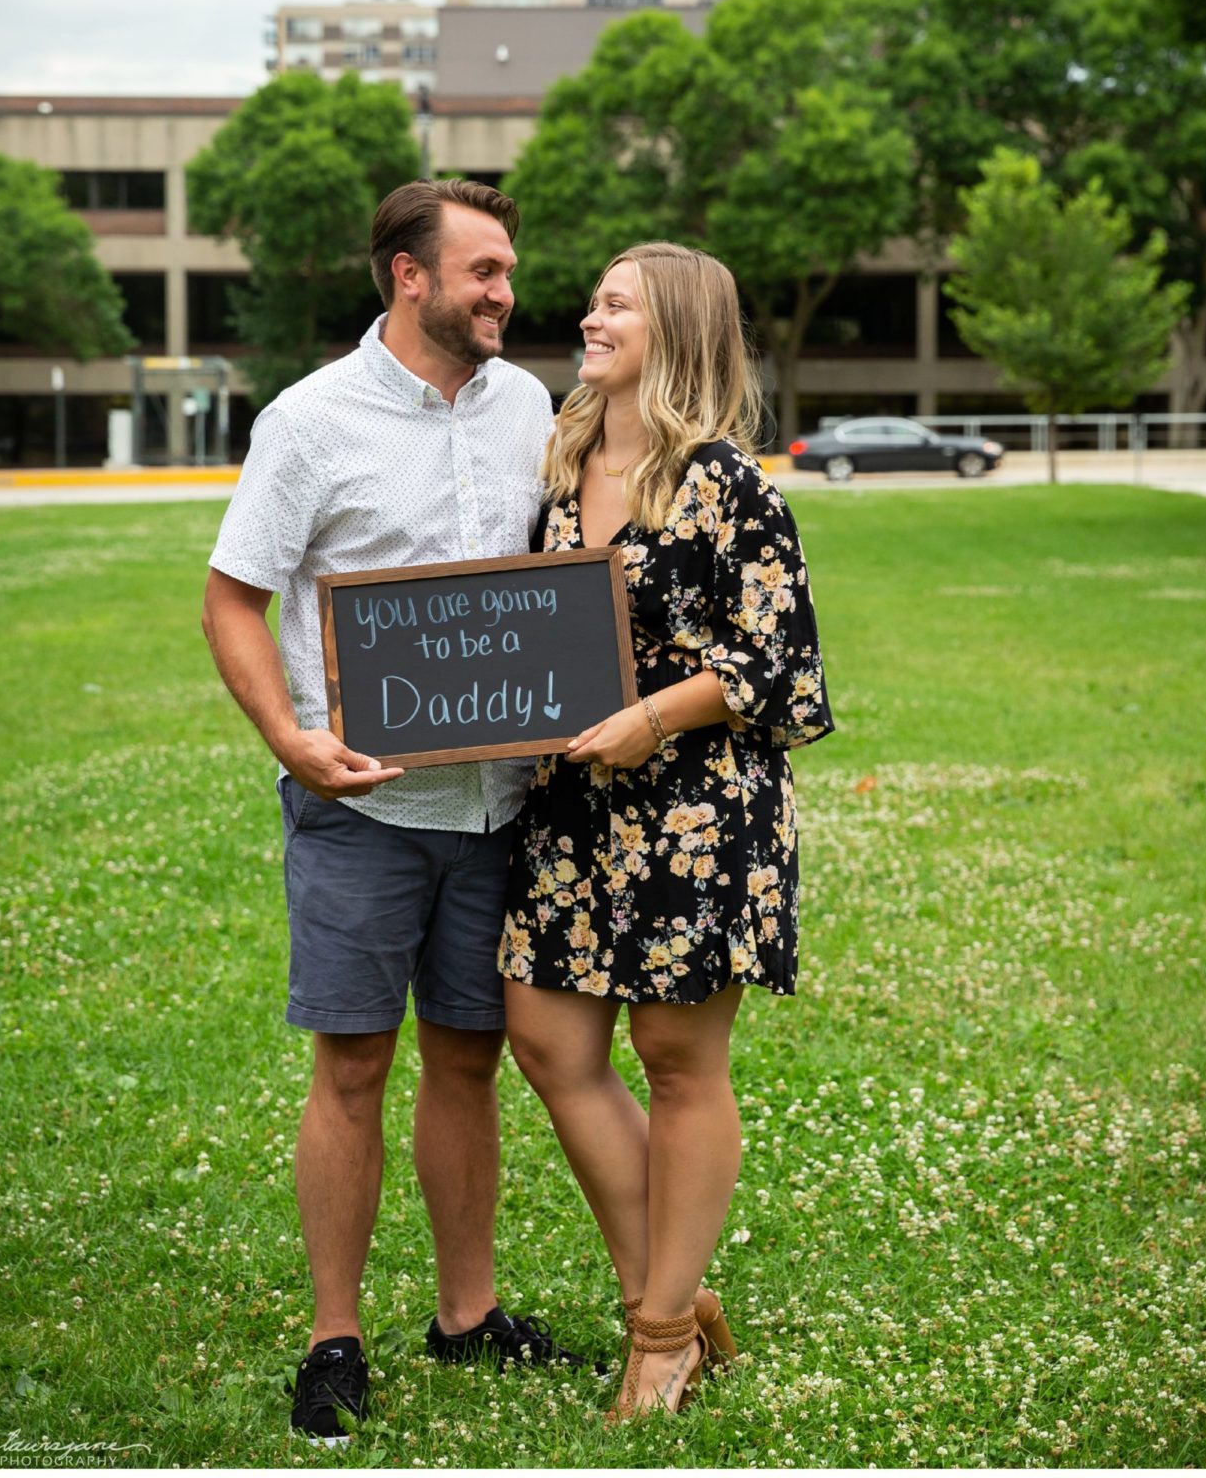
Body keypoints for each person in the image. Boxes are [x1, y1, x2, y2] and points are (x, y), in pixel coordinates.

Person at [202, 178, 592, 1448]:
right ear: (406, 275)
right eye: (482, 269)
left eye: (509, 269)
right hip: (362, 810)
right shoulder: (309, 422)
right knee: (353, 1065)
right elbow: (232, 600)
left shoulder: (528, 403)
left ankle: (465, 1316)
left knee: (468, 1063)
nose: (505, 291)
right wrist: (292, 743)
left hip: (499, 803)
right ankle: (334, 1337)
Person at [499, 241, 833, 1420]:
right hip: (569, 810)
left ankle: (655, 1334)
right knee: (545, 1041)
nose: (590, 315)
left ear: (677, 328)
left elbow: (772, 654)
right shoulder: (561, 456)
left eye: (617, 304)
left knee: (678, 1061)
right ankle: (681, 1301)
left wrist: (651, 716)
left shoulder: (727, 481)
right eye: (590, 299)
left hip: (699, 814)